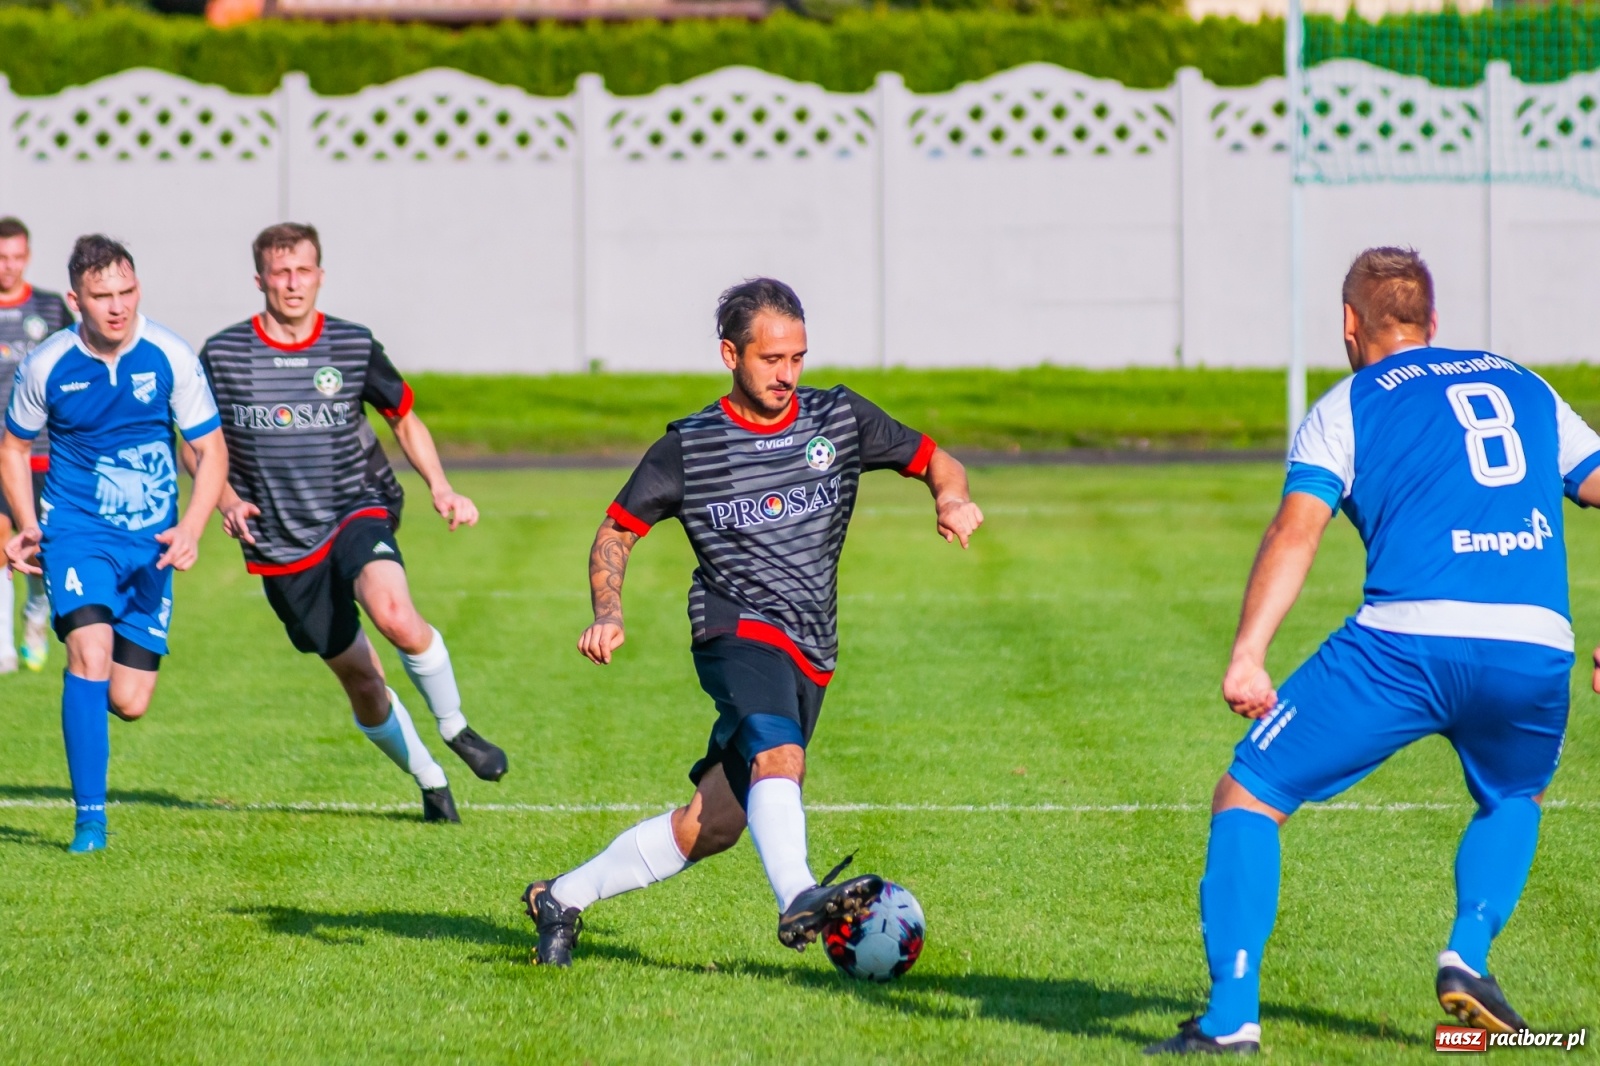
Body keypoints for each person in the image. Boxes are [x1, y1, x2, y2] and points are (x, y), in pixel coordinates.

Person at [1146, 247, 1600, 1055]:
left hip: (1406, 643)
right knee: (1514, 795)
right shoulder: (1526, 386)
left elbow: (1297, 530)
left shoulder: (1348, 404)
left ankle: (1230, 1018)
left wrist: (1249, 652)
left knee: (1249, 793)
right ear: (1433, 321)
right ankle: (1468, 955)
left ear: (1350, 324)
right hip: (1534, 647)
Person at [521, 278, 985, 965]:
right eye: (771, 359)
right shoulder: (691, 446)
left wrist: (950, 498)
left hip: (812, 645)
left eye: (797, 357)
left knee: (711, 824)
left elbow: (936, 459)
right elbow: (617, 531)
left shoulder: (838, 417)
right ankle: (798, 895)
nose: (786, 373)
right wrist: (608, 613)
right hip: (732, 627)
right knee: (780, 755)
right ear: (730, 355)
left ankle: (562, 898)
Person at [194, 223, 507, 824]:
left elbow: (404, 417)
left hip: (356, 506)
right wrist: (225, 499)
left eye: (303, 270)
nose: (293, 283)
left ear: (320, 275)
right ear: (260, 279)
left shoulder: (352, 344)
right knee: (364, 682)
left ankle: (455, 727)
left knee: (394, 614)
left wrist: (441, 486)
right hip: (279, 541)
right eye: (280, 272)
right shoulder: (224, 355)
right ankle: (430, 778)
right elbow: (198, 442)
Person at [1, 235, 229, 853]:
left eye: (127, 292)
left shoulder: (170, 355)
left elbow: (210, 450)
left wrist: (192, 527)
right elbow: (13, 448)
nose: (118, 306)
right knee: (90, 653)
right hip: (77, 533)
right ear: (76, 300)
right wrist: (27, 523)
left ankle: (85, 696)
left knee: (128, 700)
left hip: (152, 543)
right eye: (102, 296)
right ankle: (90, 822)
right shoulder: (48, 364)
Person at [0, 217, 72, 673]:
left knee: (42, 548)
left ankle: (35, 612)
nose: (8, 266)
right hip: (1, 453)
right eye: (1, 257)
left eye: (16, 257)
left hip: (44, 451)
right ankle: (3, 646)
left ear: (27, 257)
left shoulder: (51, 308)